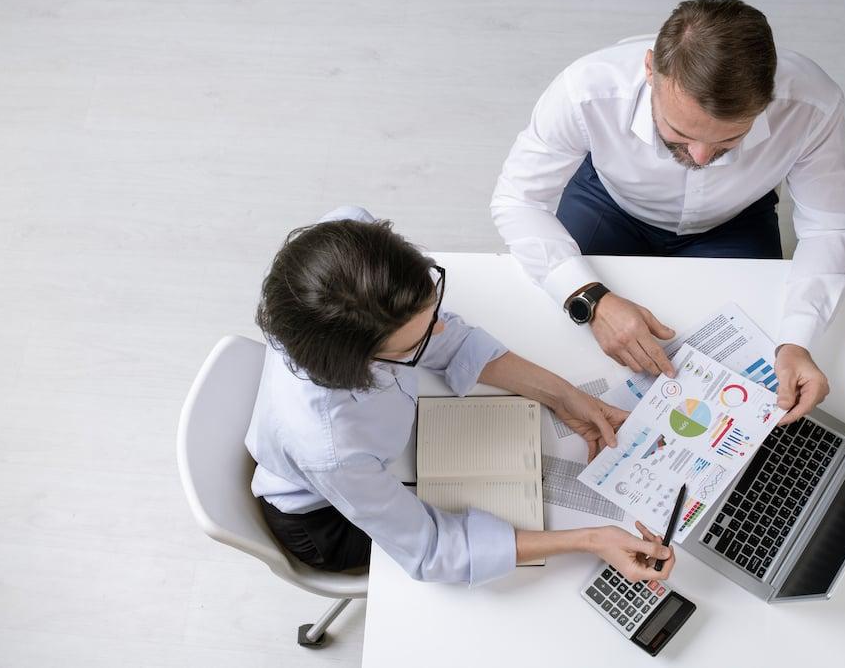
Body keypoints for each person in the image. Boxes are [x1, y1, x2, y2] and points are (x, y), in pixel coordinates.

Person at [246, 205, 675, 586]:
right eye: (411, 346)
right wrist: (590, 540)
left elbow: (448, 343)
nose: (441, 329)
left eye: (432, 311)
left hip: (377, 462)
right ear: (363, 365)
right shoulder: (331, 445)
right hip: (325, 520)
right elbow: (434, 551)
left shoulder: (346, 242)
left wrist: (564, 397)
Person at [491, 0, 845, 426]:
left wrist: (798, 341)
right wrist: (589, 298)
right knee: (562, 342)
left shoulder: (813, 105)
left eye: (729, 141)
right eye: (681, 133)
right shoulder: (586, 89)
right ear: (651, 70)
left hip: (735, 219)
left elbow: (829, 228)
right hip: (608, 202)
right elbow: (518, 200)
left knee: (751, 360)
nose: (702, 157)